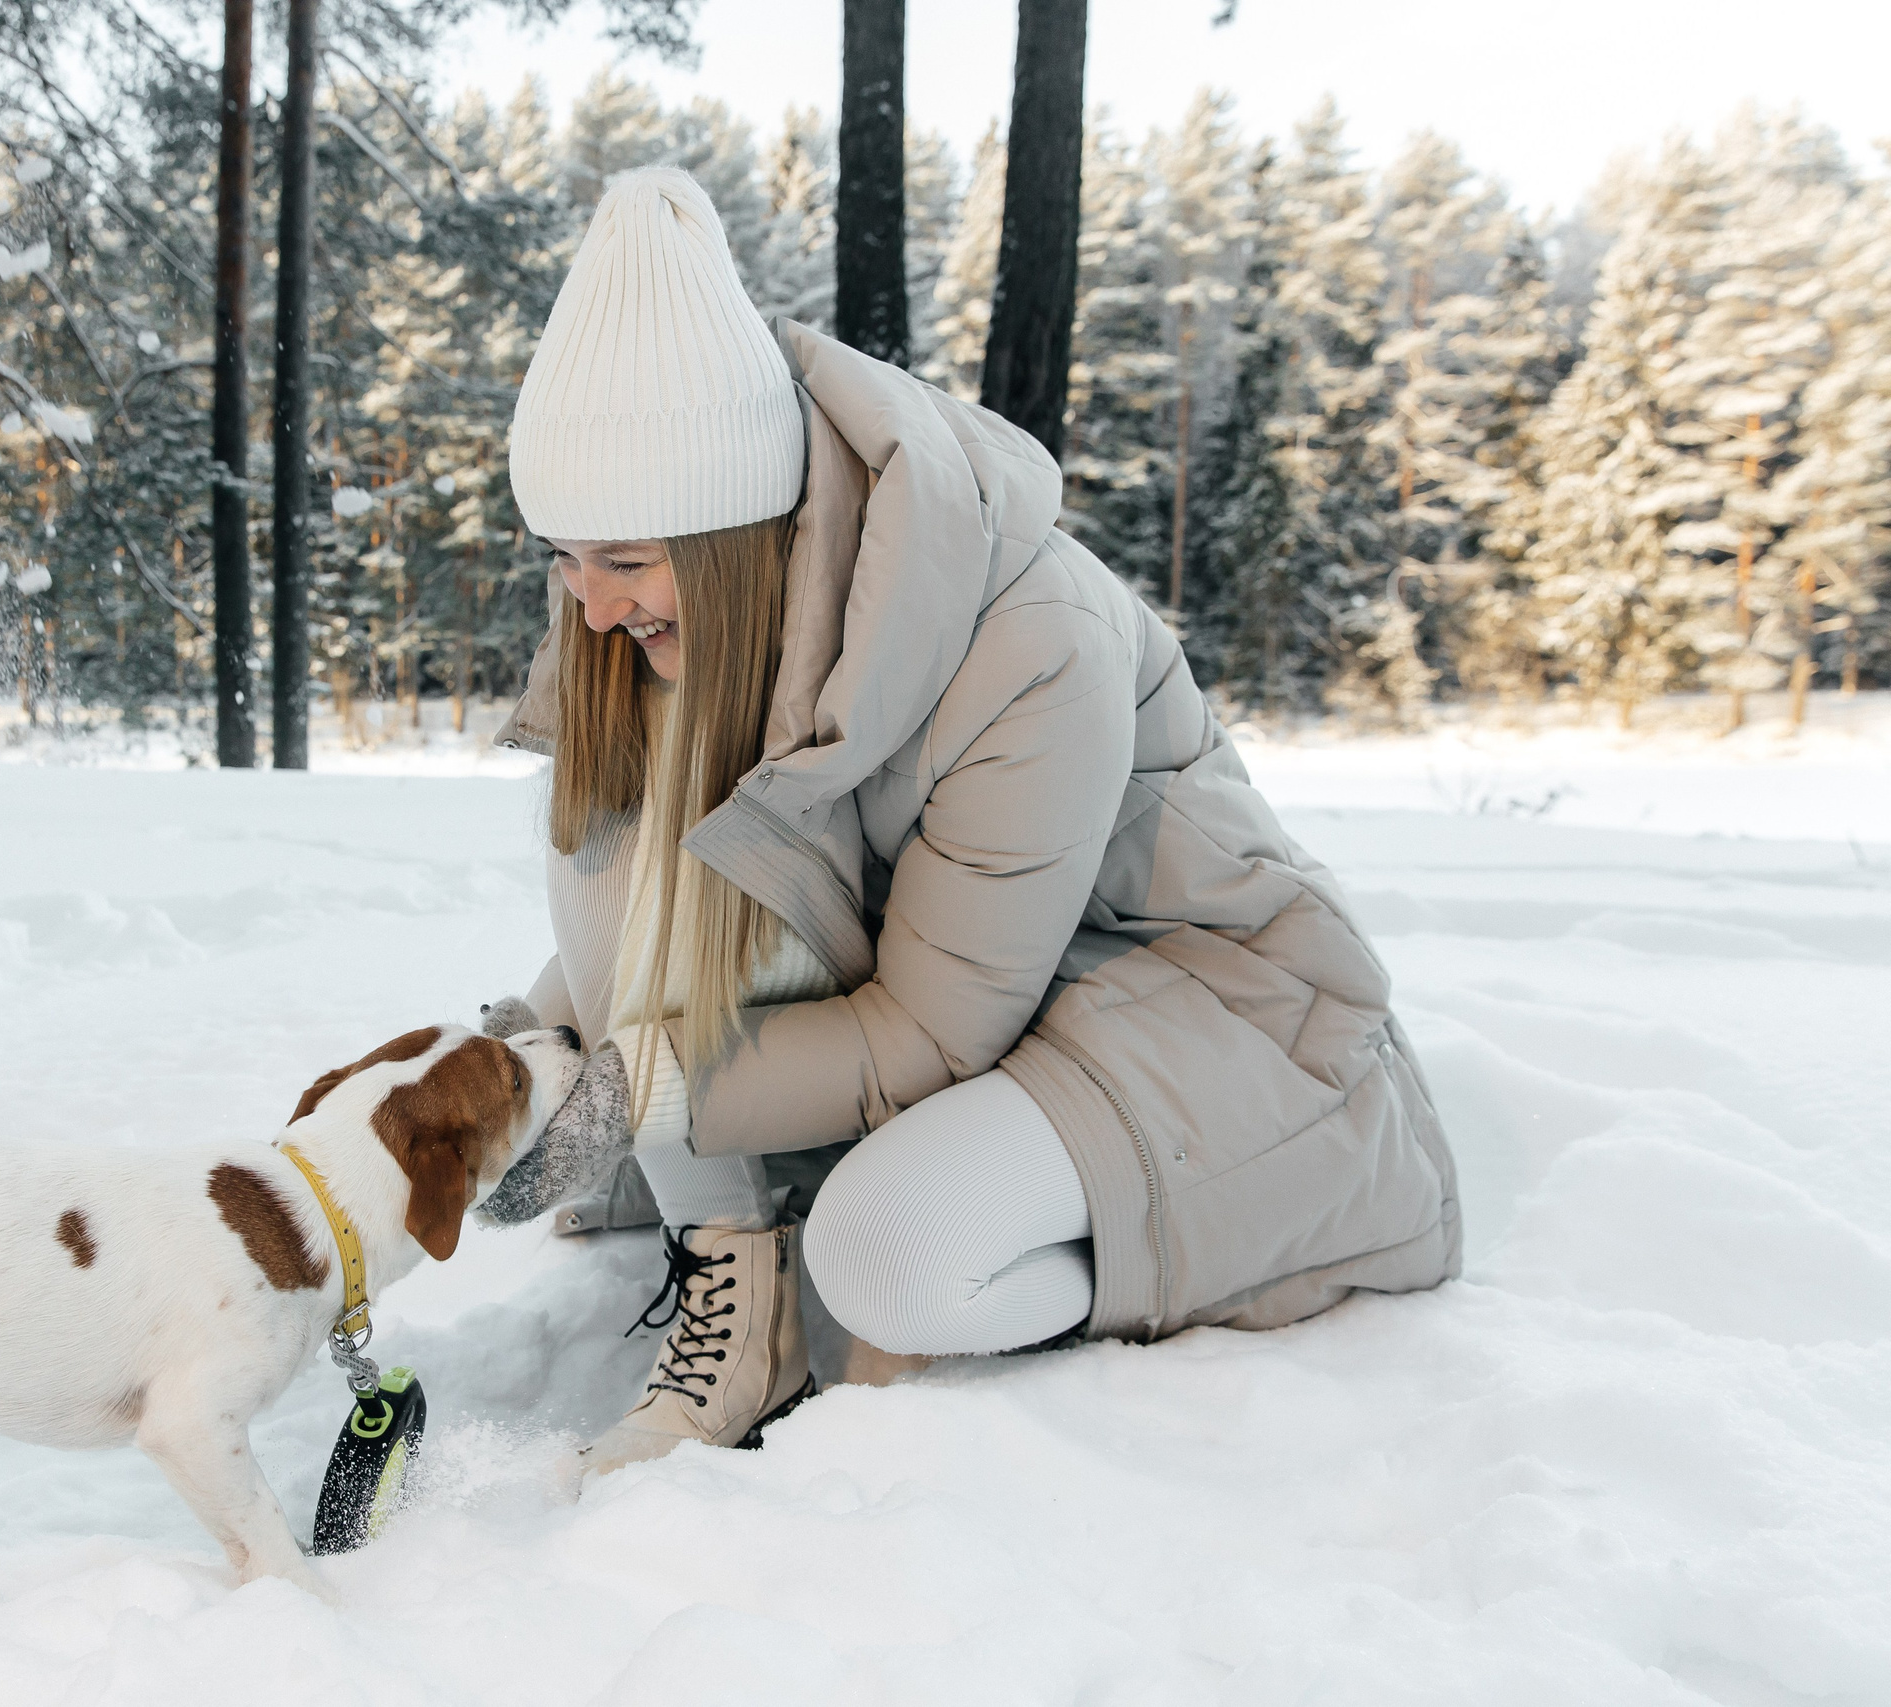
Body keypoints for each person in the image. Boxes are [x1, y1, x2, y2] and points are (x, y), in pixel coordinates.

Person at [476, 167, 1460, 1477]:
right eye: (565, 559)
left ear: (735, 530)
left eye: (627, 563)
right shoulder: (672, 627)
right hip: (973, 987)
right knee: (624, 833)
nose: (592, 607)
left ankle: (1068, 1261)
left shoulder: (1028, 636)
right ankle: (743, 1284)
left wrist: (636, 1091)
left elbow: (932, 1028)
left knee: (887, 1261)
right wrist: (521, 1069)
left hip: (1192, 1000)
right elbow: (661, 899)